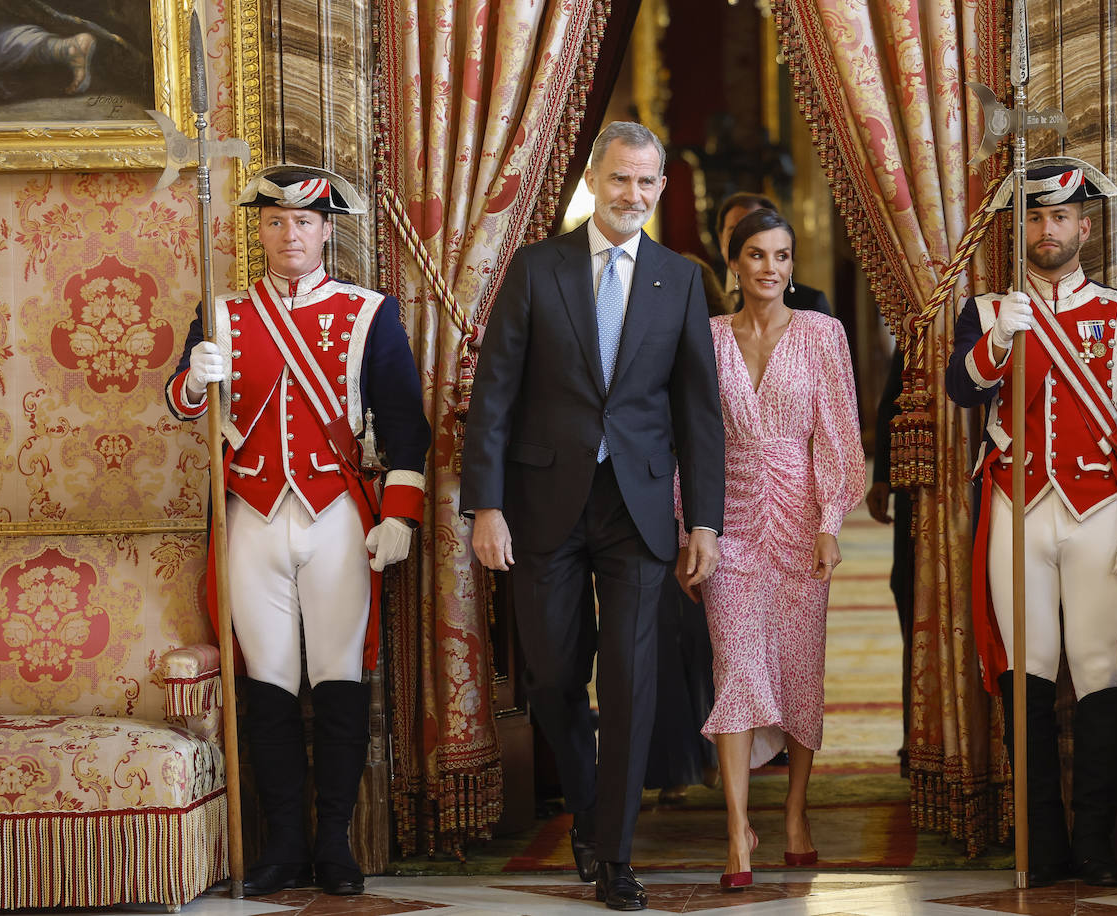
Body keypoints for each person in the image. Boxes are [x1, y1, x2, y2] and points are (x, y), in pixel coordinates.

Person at [461, 121, 724, 913]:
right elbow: (494, 395)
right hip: (543, 508)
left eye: (647, 183)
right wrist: (486, 505)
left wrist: (703, 522)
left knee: (634, 683)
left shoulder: (679, 279)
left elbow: (699, 413)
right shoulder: (538, 269)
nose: (633, 196)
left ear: (659, 190)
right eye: (620, 180)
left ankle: (614, 854)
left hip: (639, 510)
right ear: (594, 181)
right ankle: (586, 805)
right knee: (551, 676)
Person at [165, 164, 431, 898]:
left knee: (341, 680)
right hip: (251, 516)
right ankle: (282, 844)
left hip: (338, 517)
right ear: (261, 230)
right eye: (277, 222)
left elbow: (406, 426)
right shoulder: (222, 312)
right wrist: (195, 376)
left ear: (326, 232)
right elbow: (180, 405)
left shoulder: (371, 312)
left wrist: (401, 515)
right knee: (270, 685)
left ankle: (335, 842)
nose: (291, 235)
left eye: (305, 223)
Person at [945, 157, 1117, 888]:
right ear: (1023, 229)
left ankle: (1098, 848)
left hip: (1102, 516)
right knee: (1029, 676)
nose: (1048, 231)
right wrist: (999, 342)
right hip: (1016, 510)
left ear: (1085, 226)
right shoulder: (988, 311)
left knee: (1098, 671)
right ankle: (1041, 847)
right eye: (1036, 219)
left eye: (1061, 218)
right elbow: (960, 386)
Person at [689, 208, 864, 890]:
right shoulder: (704, 339)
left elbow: (839, 437)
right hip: (726, 526)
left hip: (800, 527)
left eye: (783, 255)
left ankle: (794, 814)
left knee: (797, 673)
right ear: (734, 263)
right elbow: (691, 441)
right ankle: (737, 831)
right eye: (757, 255)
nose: (771, 268)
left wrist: (830, 523)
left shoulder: (823, 334)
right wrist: (690, 530)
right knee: (734, 667)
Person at [643, 253, 729, 804]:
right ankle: (671, 766)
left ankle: (720, 755)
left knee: (708, 639)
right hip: (650, 500)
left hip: (709, 504)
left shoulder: (721, 343)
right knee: (659, 642)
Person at [867, 344, 915, 777]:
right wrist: (882, 474)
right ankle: (915, 738)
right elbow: (893, 401)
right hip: (917, 491)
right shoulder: (923, 314)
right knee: (912, 597)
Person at [713, 192, 831, 316]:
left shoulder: (810, 304)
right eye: (735, 233)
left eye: (757, 232)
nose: (743, 242)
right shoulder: (701, 292)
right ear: (721, 239)